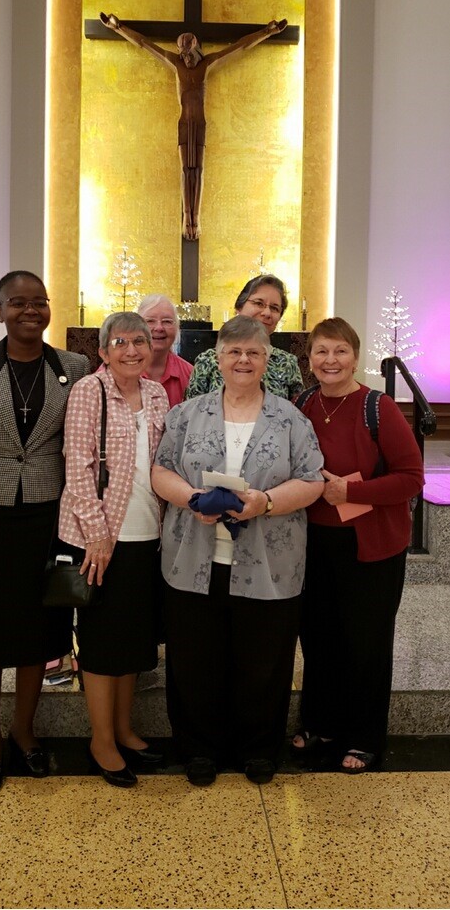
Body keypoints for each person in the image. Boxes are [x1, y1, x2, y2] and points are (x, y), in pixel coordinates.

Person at [151, 316, 324, 787]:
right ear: (218, 358)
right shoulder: (187, 414)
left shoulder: (290, 418)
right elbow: (160, 470)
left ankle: (258, 749)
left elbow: (311, 481)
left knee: (263, 660)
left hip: (271, 560)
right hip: (194, 558)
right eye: (234, 352)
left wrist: (264, 503)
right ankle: (199, 748)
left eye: (253, 353)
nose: (243, 361)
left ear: (267, 359)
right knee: (194, 658)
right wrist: (190, 499)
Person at [0, 271, 89, 796]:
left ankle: (23, 731)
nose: (30, 311)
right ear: (0, 309)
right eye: (18, 302)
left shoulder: (72, 368)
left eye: (39, 302)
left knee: (41, 632)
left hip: (47, 520)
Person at [292, 317, 424, 773]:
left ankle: (365, 735)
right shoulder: (303, 403)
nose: (331, 360)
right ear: (309, 360)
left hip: (370, 547)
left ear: (355, 356)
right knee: (318, 637)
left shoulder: (377, 407)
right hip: (313, 541)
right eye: (322, 352)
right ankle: (320, 722)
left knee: (365, 642)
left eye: (340, 351)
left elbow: (411, 479)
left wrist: (353, 493)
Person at [58, 312, 169, 788]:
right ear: (102, 351)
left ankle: (124, 729)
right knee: (103, 644)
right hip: (100, 539)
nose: (131, 349)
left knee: (133, 640)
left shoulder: (159, 393)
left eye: (139, 340)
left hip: (150, 534)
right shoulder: (90, 391)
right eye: (119, 342)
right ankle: (101, 739)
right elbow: (78, 468)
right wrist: (99, 537)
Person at [100, 12, 287, 239]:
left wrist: (267, 32)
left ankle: (195, 219)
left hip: (200, 124)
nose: (186, 58)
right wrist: (117, 27)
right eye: (182, 53)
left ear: (196, 48)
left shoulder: (206, 64)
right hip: (183, 124)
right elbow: (144, 44)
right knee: (185, 171)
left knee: (197, 171)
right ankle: (186, 218)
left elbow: (240, 47)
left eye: (189, 53)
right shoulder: (175, 63)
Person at [185, 274, 303, 401]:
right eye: (259, 303)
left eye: (274, 308)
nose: (267, 313)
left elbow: (296, 413)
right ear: (239, 308)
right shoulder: (208, 361)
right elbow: (191, 414)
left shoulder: (287, 363)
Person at [137, 294, 192, 407]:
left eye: (167, 321)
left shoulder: (190, 375)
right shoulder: (116, 372)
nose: (159, 328)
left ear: (177, 329)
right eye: (150, 321)